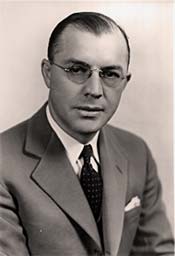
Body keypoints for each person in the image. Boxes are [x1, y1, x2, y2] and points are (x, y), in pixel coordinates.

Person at [0, 11, 174, 256]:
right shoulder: (3, 163)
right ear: (48, 73)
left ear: (125, 81)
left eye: (110, 74)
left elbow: (158, 252)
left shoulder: (136, 152)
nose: (94, 90)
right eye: (77, 69)